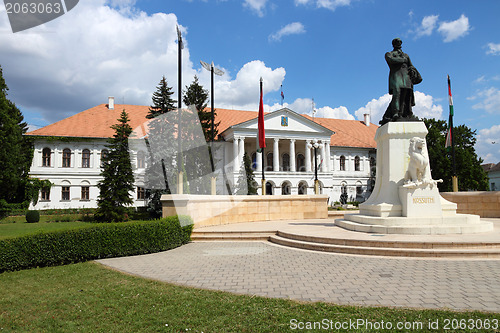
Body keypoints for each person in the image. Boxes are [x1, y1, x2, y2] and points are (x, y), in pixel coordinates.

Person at [380, 38, 422, 125]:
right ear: (393, 44)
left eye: (399, 42)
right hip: (396, 77)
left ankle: (406, 113)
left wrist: (412, 70)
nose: (398, 44)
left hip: (406, 77)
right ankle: (395, 113)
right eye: (397, 42)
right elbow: (391, 60)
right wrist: (403, 60)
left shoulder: (406, 55)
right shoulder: (389, 54)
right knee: (397, 94)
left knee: (406, 95)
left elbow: (411, 65)